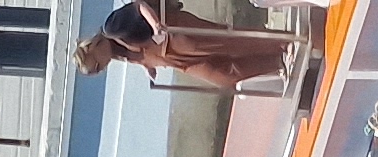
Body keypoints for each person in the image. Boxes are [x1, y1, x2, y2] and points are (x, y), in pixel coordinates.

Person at [74, 1, 292, 86]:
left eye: (97, 67)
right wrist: (146, 66)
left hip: (175, 37)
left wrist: (155, 23)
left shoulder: (111, 28)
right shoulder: (115, 54)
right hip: (173, 59)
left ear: (93, 50)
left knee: (228, 42)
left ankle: (281, 43)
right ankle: (276, 62)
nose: (102, 69)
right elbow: (136, 51)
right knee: (224, 75)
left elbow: (138, 7)